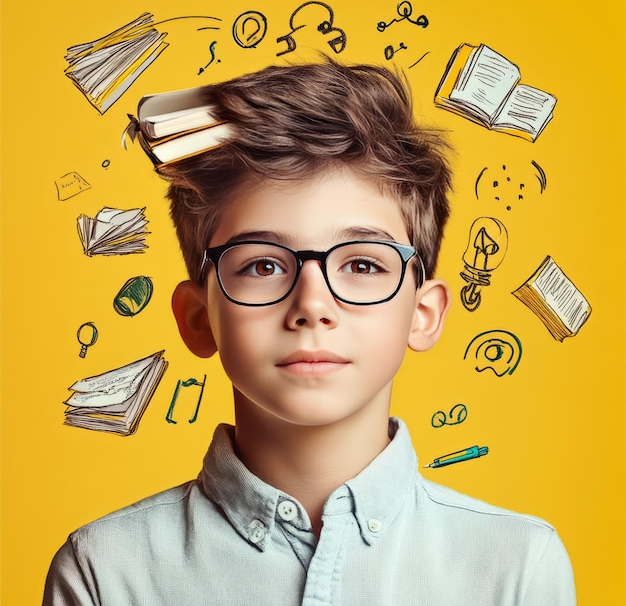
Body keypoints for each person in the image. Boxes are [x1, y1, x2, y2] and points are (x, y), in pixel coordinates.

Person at [43, 60, 576, 605]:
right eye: (262, 265)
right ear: (198, 318)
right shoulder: (104, 572)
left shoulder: (519, 566)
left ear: (423, 313)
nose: (312, 306)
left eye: (363, 265)